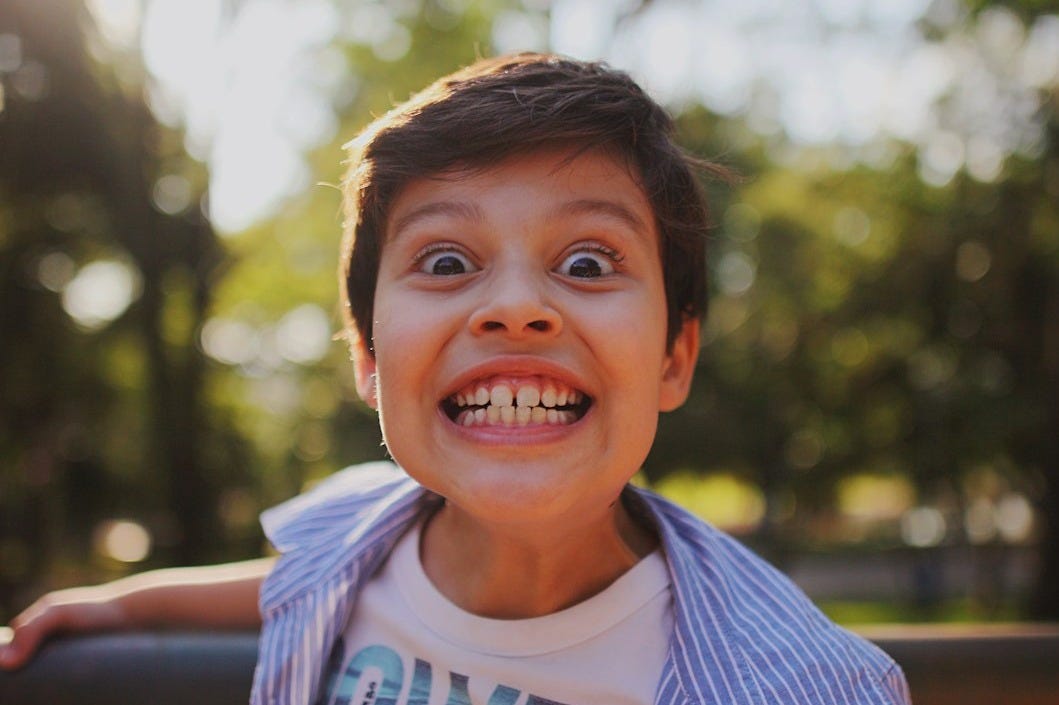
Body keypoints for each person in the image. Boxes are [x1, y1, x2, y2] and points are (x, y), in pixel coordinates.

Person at [0, 53, 910, 705]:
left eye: (588, 263)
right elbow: (276, 584)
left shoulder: (798, 683)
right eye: (444, 261)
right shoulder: (360, 535)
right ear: (366, 355)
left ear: (674, 355)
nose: (515, 307)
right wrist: (110, 607)